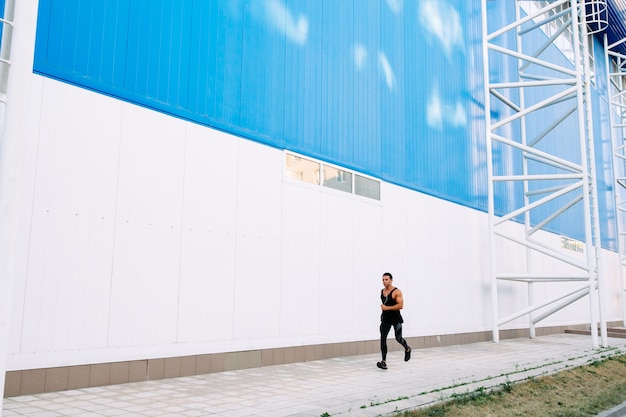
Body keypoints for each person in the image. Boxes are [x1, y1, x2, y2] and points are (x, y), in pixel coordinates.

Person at [377, 272, 411, 370]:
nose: (384, 281)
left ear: (391, 280)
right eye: (383, 279)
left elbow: (400, 306)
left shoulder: (397, 291)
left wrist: (386, 308)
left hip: (396, 319)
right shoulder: (382, 291)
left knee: (398, 338)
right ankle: (383, 362)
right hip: (385, 319)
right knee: (383, 339)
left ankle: (407, 349)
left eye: (386, 279)